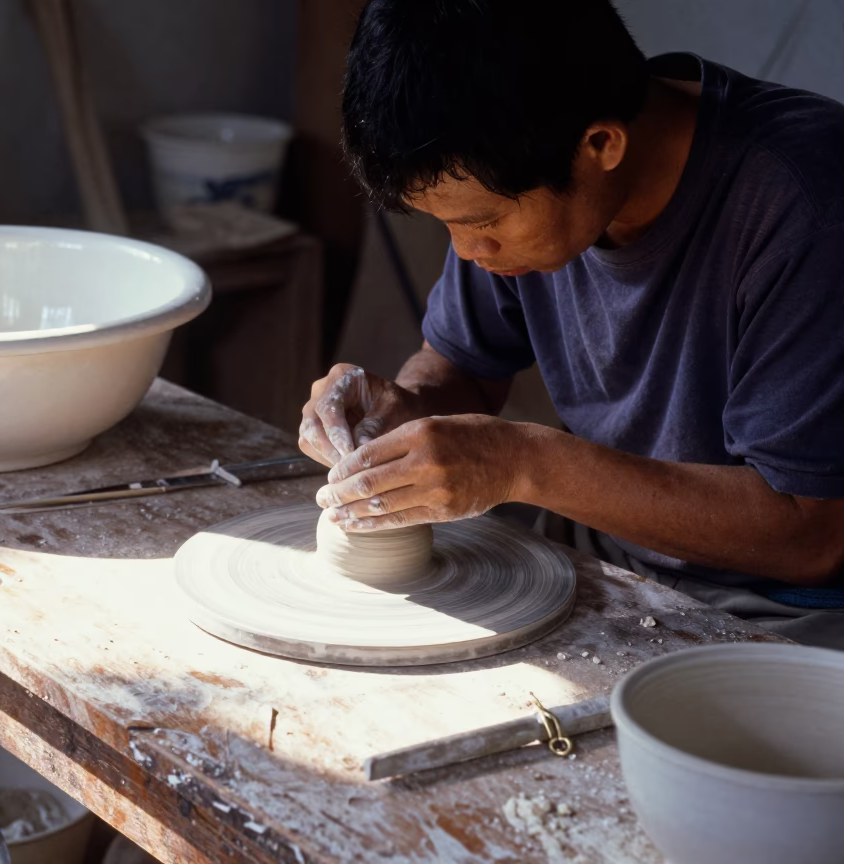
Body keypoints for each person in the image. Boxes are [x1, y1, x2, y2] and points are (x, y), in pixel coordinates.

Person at [299, 0, 844, 647]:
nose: (469, 250)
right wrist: (405, 409)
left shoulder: (807, 202)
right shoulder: (517, 157)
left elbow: (809, 534)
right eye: (448, 224)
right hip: (613, 545)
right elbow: (464, 369)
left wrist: (524, 462)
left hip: (789, 600)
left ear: (600, 145)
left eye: (481, 222)